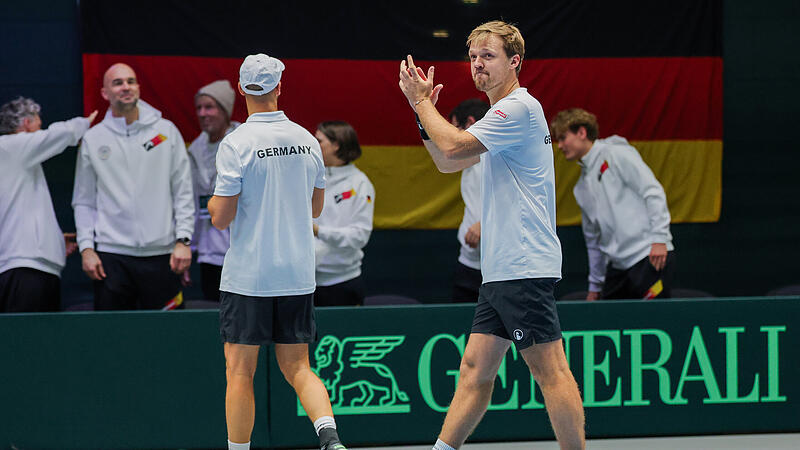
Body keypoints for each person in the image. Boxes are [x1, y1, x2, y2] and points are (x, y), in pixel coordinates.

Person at [398, 20, 585, 450]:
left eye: (489, 56)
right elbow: (449, 162)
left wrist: (422, 101)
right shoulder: (497, 117)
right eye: (473, 57)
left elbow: (452, 147)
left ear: (514, 61)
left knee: (550, 371)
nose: (478, 65)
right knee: (474, 370)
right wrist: (421, 112)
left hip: (522, 263)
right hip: (500, 269)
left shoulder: (517, 107)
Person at [208, 54, 347, 450]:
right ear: (279, 87)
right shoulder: (307, 139)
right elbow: (315, 208)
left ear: (240, 89)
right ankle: (330, 438)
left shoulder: (236, 143)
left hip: (249, 276)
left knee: (239, 372)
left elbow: (221, 217)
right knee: (299, 367)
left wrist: (215, 206)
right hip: (297, 274)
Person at [72, 63, 195, 310]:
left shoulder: (165, 131)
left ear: (138, 87)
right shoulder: (93, 139)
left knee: (167, 337)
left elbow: (183, 191)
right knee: (112, 339)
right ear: (105, 93)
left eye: (131, 81)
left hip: (163, 255)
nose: (126, 87)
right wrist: (86, 249)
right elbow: (83, 200)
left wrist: (183, 240)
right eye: (118, 83)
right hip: (111, 258)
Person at [551, 108, 676, 300]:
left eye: (563, 137)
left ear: (582, 133)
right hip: (618, 268)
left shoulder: (616, 153)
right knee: (609, 319)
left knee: (655, 321)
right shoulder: (581, 188)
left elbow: (653, 191)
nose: (559, 145)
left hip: (649, 257)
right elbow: (593, 241)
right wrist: (595, 286)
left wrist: (659, 239)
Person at [0, 97, 97, 312]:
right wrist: (85, 122)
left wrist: (54, 239)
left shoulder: (14, 159)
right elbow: (57, 135)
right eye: (38, 122)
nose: (40, 126)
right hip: (24, 269)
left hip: (29, 266)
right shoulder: (12, 147)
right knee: (27, 340)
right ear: (27, 122)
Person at [185, 80, 241, 301]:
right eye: (199, 108)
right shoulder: (195, 151)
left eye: (209, 107)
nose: (202, 113)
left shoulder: (244, 145)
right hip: (208, 253)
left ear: (225, 110)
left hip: (239, 249)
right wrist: (189, 247)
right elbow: (189, 202)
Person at [312, 120, 374, 307]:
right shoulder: (309, 177)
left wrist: (318, 231)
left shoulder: (359, 184)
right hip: (305, 282)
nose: (313, 146)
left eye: (319, 141)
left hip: (342, 283)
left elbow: (359, 236)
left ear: (336, 145)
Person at [448, 99, 490, 303]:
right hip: (468, 262)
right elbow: (444, 158)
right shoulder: (471, 156)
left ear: (470, 123)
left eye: (456, 128)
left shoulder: (502, 155)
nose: (453, 135)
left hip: (500, 267)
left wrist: (486, 223)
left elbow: (523, 202)